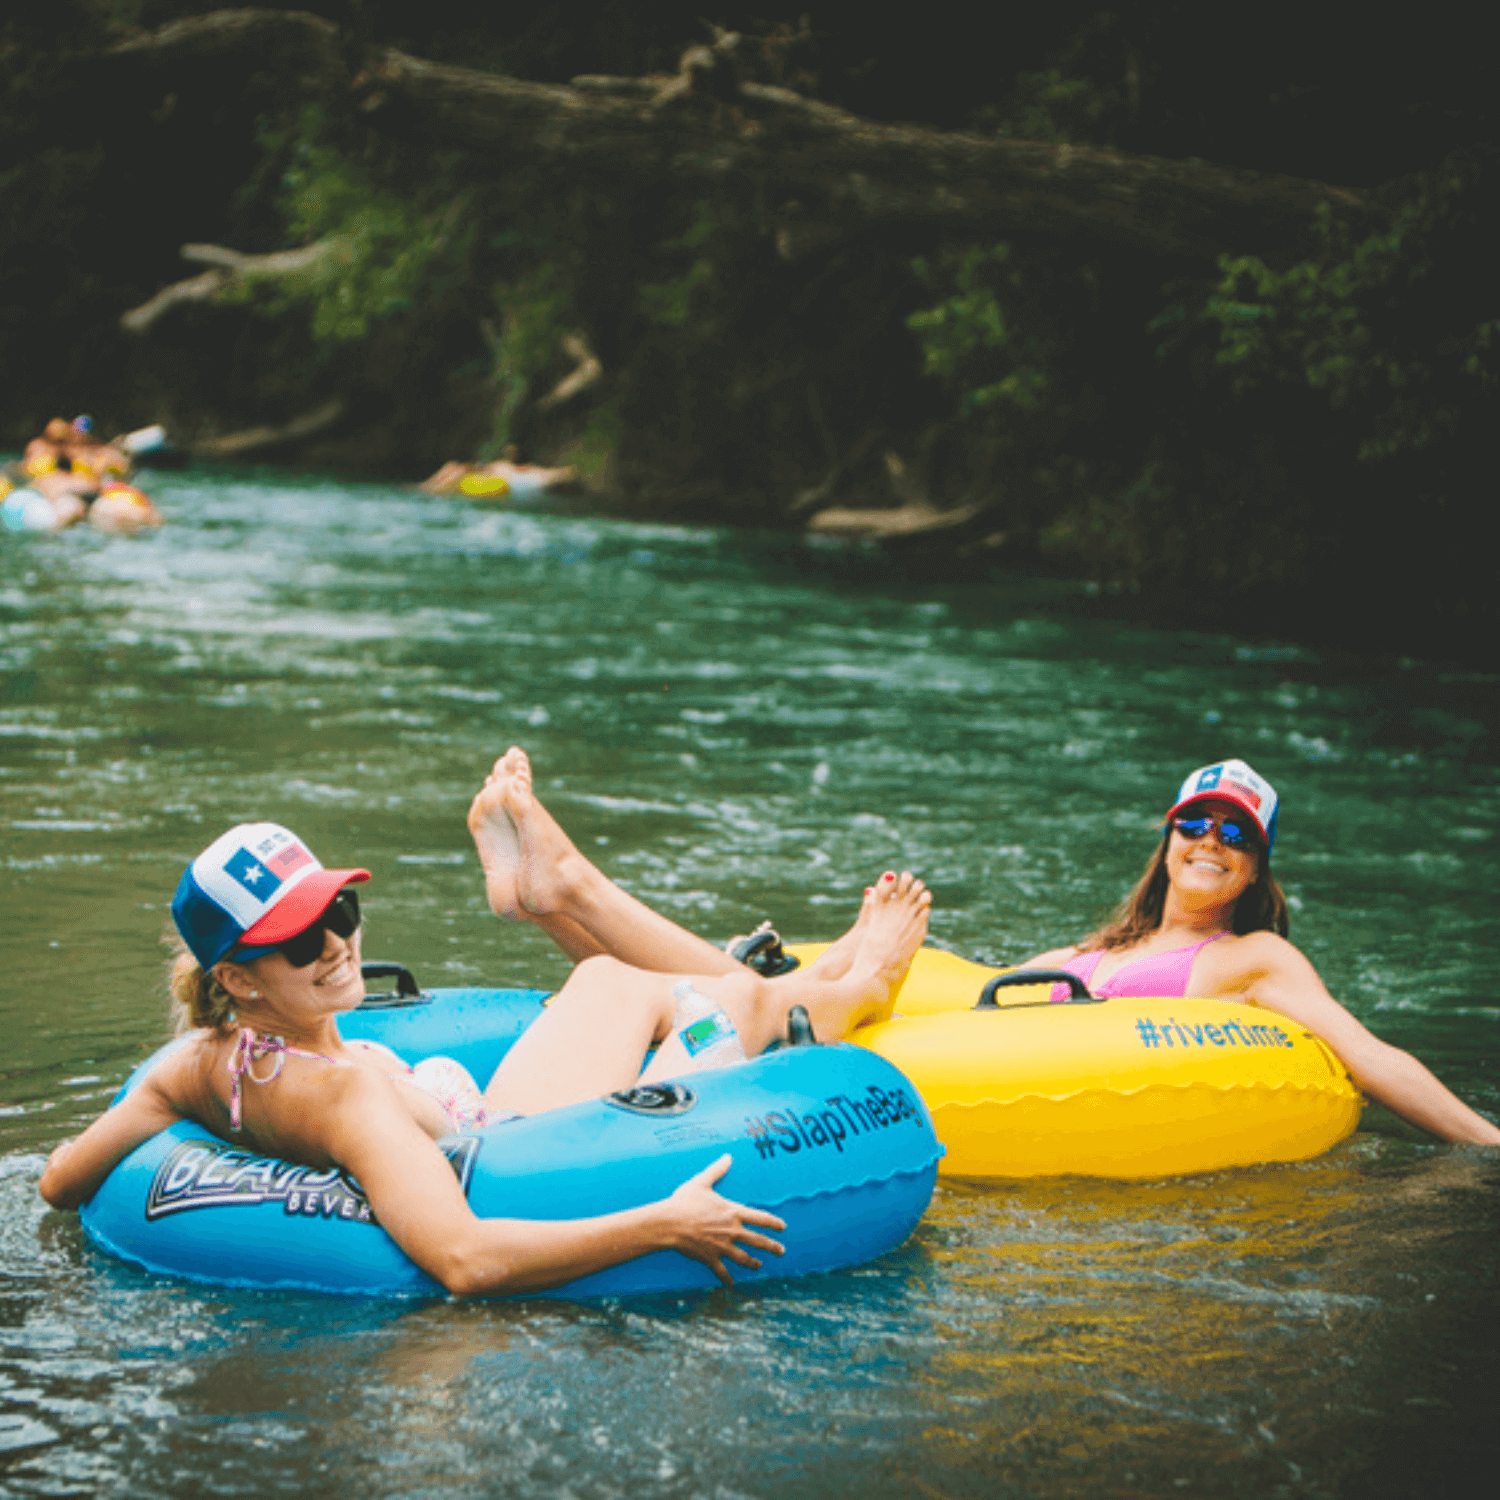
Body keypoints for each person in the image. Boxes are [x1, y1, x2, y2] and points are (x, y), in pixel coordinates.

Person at [39, 749, 932, 1296]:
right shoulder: (342, 1095)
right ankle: (849, 985)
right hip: (528, 1148)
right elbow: (465, 1261)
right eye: (301, 939)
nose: (338, 945)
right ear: (237, 977)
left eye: (341, 915)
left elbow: (58, 1182)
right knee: (729, 1004)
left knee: (610, 979)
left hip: (480, 1121)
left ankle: (573, 898)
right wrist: (664, 1224)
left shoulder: (197, 1060)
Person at [1015, 758, 1500, 1145]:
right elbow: (983, 990)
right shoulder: (1097, 948)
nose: (1210, 841)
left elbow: (1367, 1055)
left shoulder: (1256, 958)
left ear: (1253, 871)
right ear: (1168, 845)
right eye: (1194, 824)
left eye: (1235, 836)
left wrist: (1488, 1141)